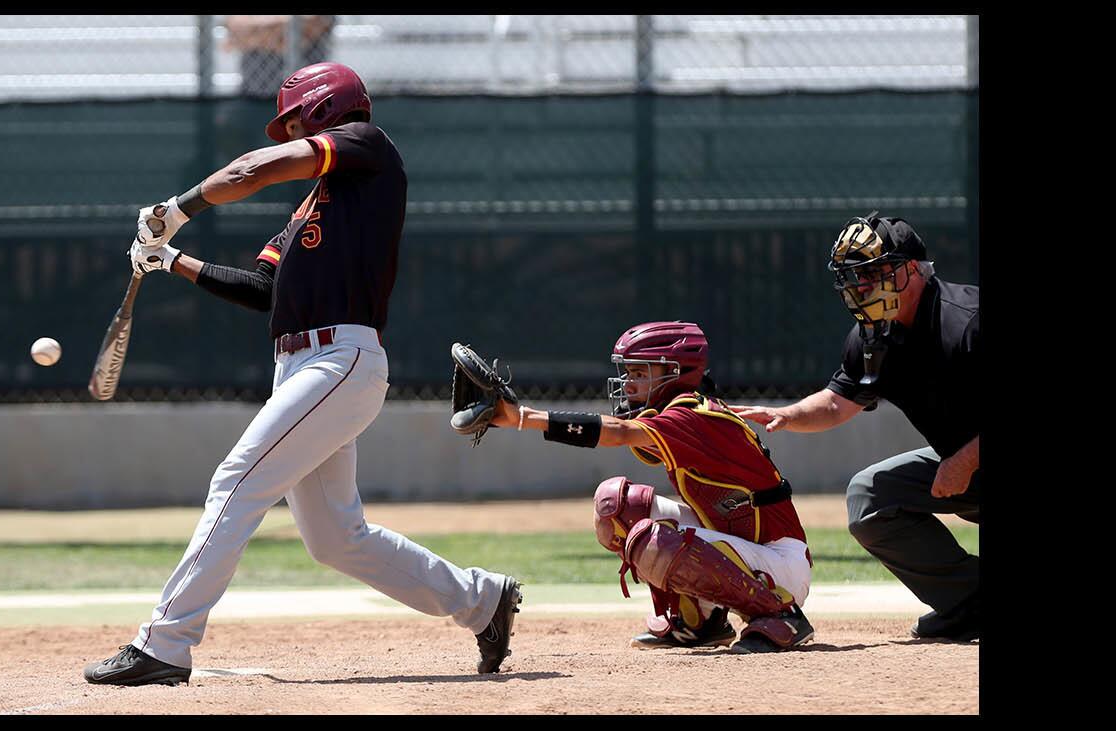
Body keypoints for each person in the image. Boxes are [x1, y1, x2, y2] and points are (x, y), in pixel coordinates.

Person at [84, 62, 522, 687]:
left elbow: (246, 171)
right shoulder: (313, 209)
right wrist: (171, 260)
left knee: (236, 482)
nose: (284, 133)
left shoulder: (367, 147)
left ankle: (165, 644)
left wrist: (179, 208)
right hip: (301, 367)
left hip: (338, 359)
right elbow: (262, 289)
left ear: (322, 110)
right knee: (335, 539)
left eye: (292, 120)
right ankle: (483, 601)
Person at [484, 321, 815, 654]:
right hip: (746, 547)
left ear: (676, 372)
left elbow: (620, 432)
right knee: (617, 505)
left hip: (781, 564)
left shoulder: (693, 416)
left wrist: (523, 418)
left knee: (653, 539)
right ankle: (700, 623)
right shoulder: (678, 411)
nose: (628, 384)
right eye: (628, 373)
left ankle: (784, 616)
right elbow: (626, 433)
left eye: (641, 374)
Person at [730, 212, 979, 642]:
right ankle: (972, 601)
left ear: (914, 269)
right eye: (855, 277)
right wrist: (787, 415)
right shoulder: (873, 339)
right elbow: (836, 403)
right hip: (963, 467)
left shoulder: (967, 321)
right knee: (870, 498)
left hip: (969, 460)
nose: (862, 287)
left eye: (875, 273)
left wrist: (964, 460)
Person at [223, 15, 334, 97]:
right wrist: (286, 31)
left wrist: (258, 32)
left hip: (310, 93)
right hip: (256, 93)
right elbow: (236, 24)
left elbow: (313, 21)